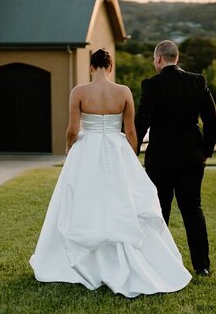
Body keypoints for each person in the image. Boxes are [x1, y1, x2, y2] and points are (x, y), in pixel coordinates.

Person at [30, 48, 191, 297]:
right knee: (121, 201)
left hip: (87, 150)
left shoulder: (79, 92)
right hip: (117, 151)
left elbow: (73, 129)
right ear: (111, 67)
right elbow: (131, 132)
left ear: (91, 67)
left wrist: (68, 146)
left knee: (85, 200)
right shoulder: (123, 91)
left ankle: (84, 260)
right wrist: (131, 157)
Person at [135, 40, 216, 277]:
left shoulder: (152, 85)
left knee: (160, 210)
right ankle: (201, 266)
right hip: (192, 157)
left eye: (154, 59)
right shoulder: (198, 81)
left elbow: (142, 122)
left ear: (159, 58)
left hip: (160, 157)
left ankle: (157, 264)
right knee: (193, 209)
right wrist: (206, 151)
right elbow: (211, 119)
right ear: (176, 58)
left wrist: (134, 151)